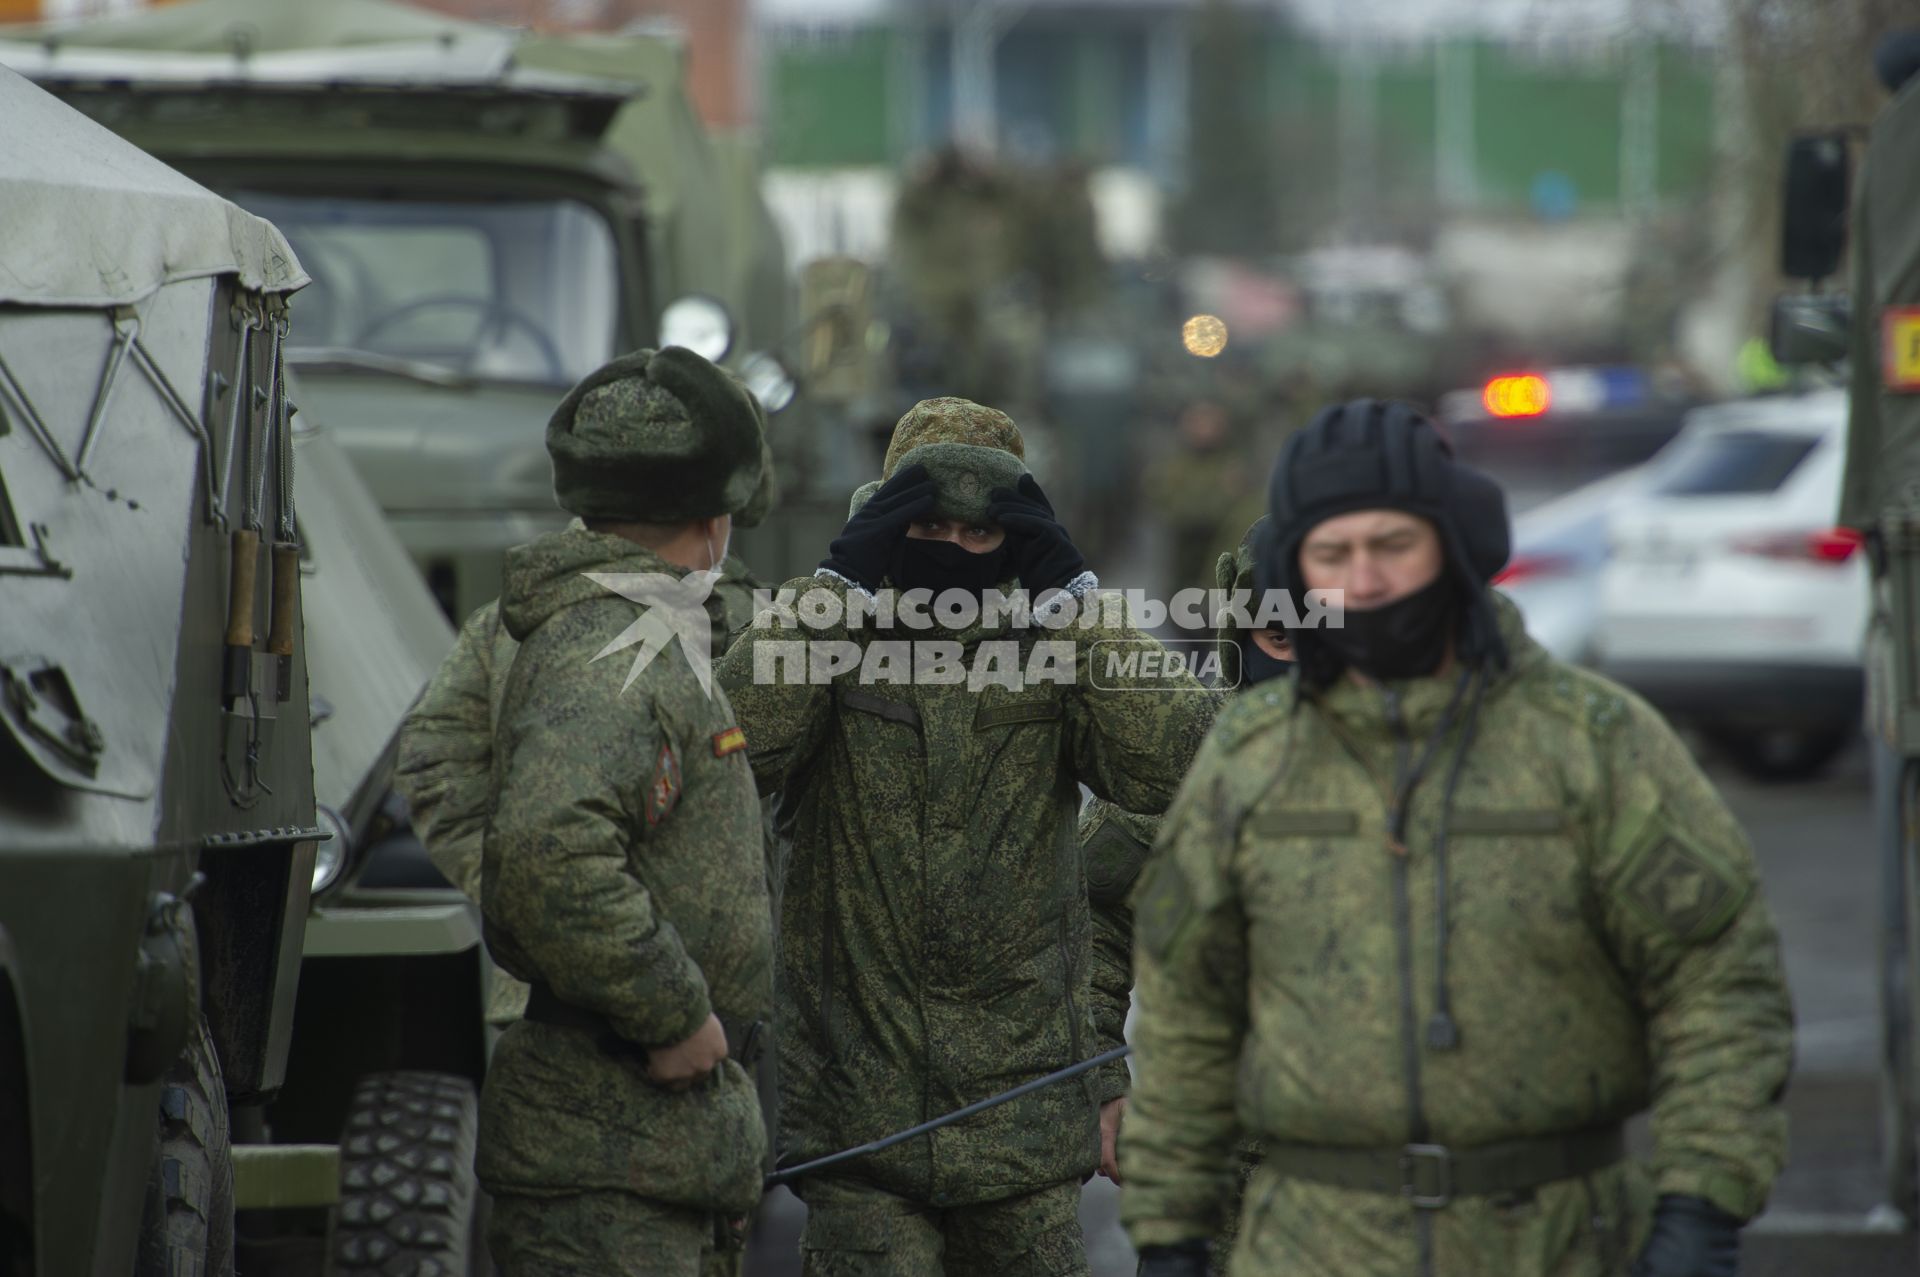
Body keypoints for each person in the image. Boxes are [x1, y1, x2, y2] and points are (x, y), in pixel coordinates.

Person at [1121, 399, 1795, 1277]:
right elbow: (1184, 1016)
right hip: (1312, 1245)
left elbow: (1719, 980)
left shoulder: (1590, 744)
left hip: (1555, 1238)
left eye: (1391, 546)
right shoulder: (1250, 764)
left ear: (1452, 544)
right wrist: (1170, 1231)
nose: (1362, 582)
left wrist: (1702, 1200)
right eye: (1332, 555)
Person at [716, 396, 1215, 1276]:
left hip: (1023, 1123)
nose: (953, 549)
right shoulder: (830, 634)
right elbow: (728, 755)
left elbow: (1182, 769)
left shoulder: (1054, 642)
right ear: (887, 518)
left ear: (1016, 537)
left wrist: (1080, 603)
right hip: (865, 1124)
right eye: (929, 524)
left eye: (980, 533)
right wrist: (835, 592)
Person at [476, 347, 775, 1276]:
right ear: (714, 515)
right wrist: (674, 1013)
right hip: (607, 1173)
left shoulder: (640, 628)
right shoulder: (612, 648)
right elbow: (549, 851)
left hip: (646, 1160)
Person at [394, 396, 780, 1029]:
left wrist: (521, 898)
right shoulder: (732, 614)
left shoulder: (519, 611)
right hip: (662, 1012)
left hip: (581, 995)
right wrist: (542, 892)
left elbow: (434, 758)